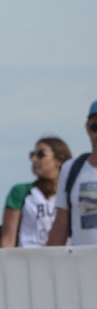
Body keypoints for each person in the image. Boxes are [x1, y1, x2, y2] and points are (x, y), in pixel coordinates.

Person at [0, 137, 72, 248]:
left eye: (40, 154)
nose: (34, 159)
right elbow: (8, 239)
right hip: (28, 261)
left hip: (64, 261)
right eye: (32, 154)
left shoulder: (71, 192)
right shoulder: (21, 192)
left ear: (59, 160)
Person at [47, 99, 97, 247]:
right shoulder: (71, 169)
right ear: (87, 128)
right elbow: (61, 224)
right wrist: (48, 265)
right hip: (82, 266)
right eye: (95, 126)